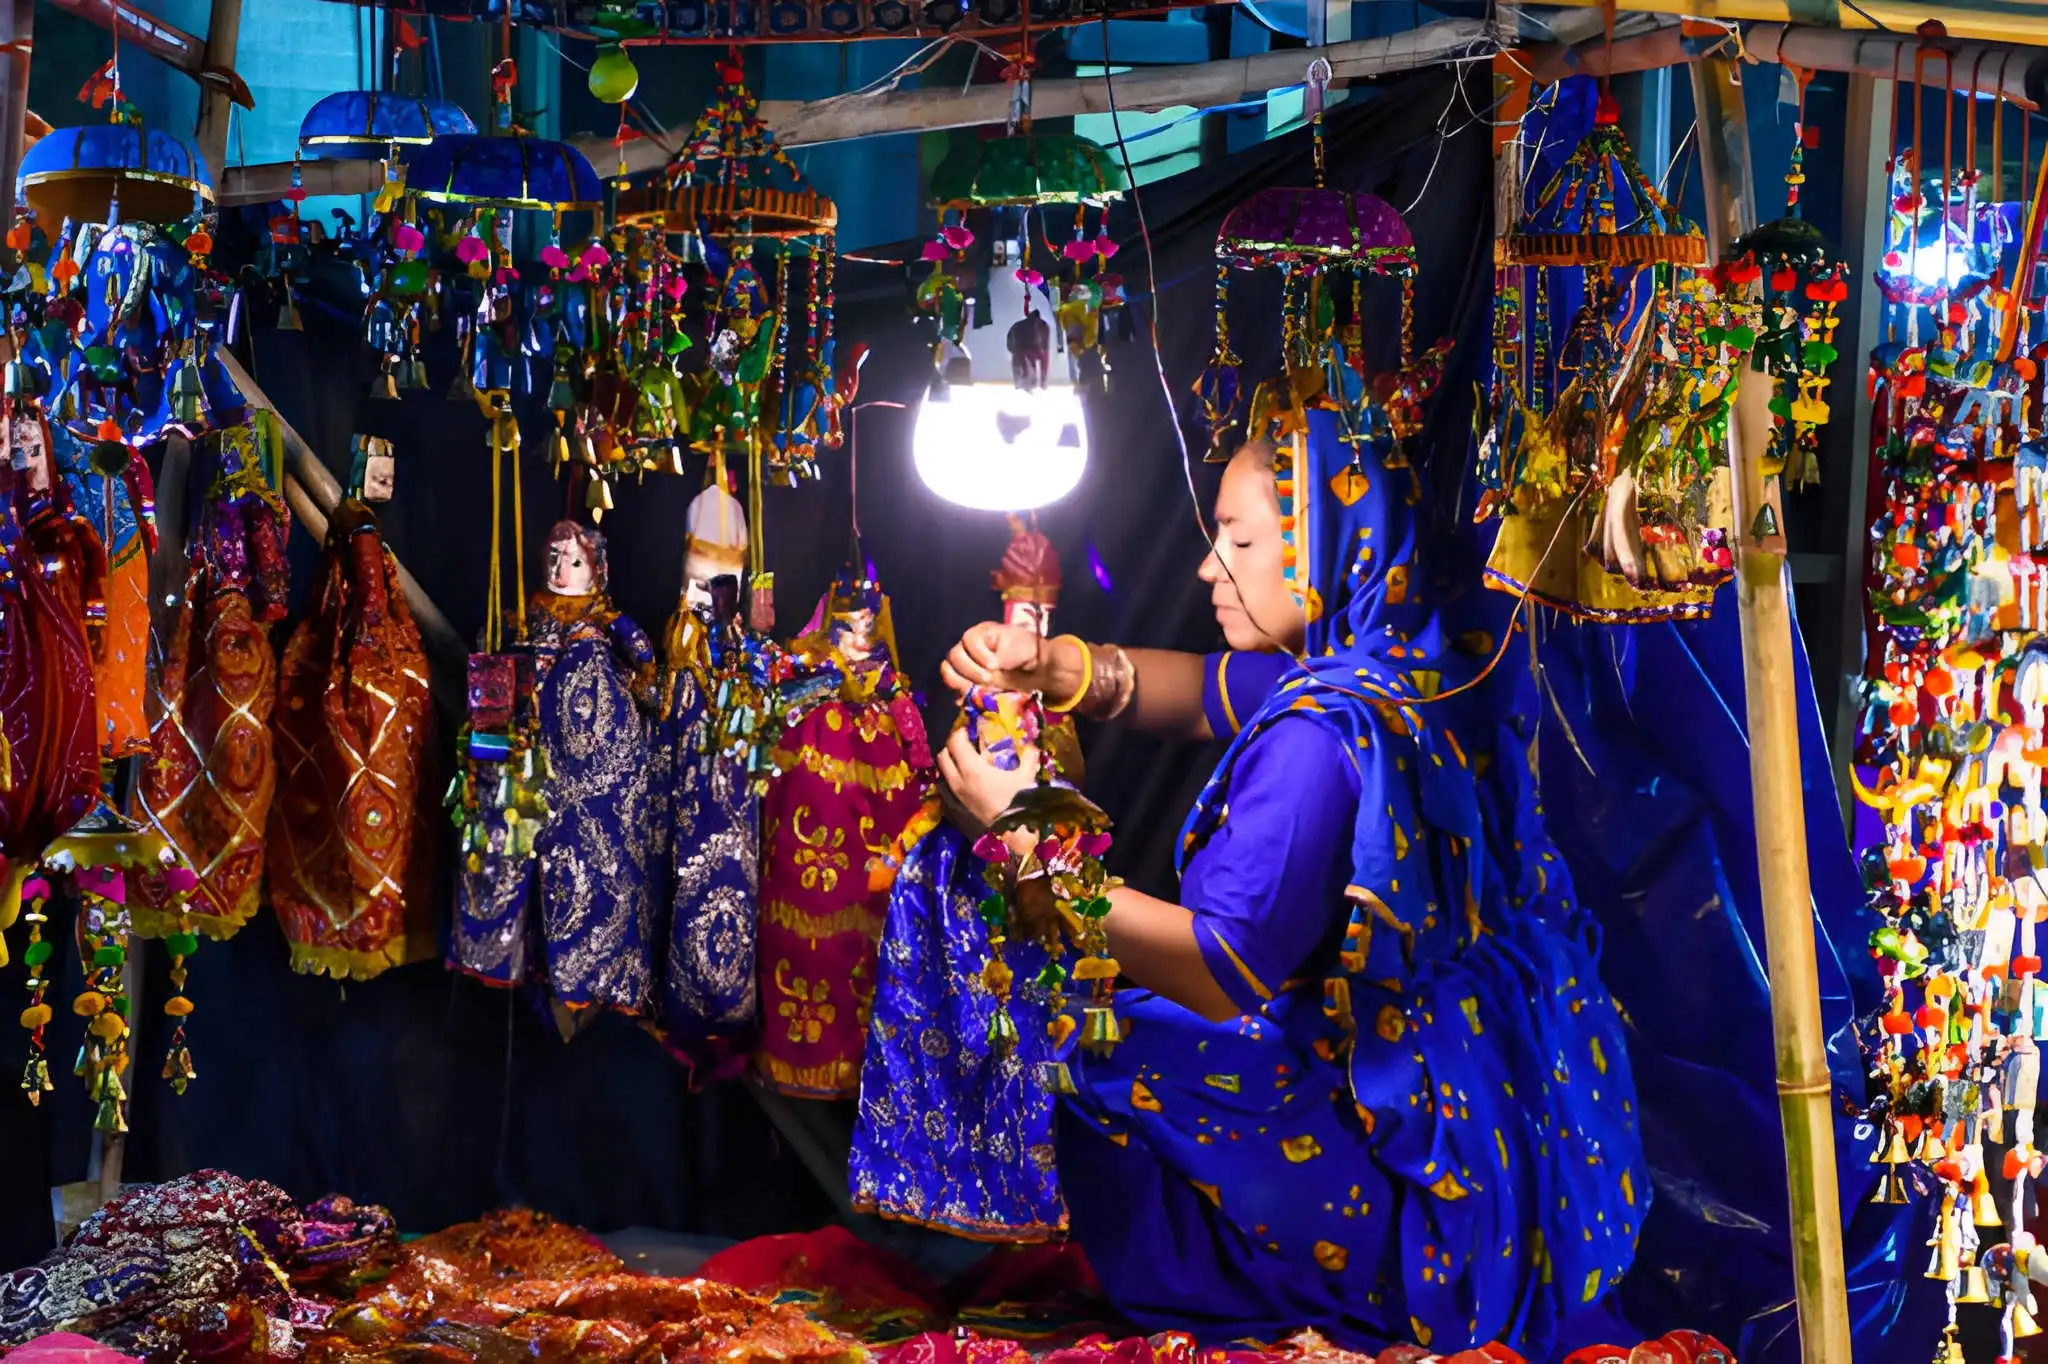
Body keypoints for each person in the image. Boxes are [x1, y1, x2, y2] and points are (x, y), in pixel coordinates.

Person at [927, 400, 1647, 1357]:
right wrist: (1057, 664)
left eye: (1239, 538)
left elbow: (1217, 969)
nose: (1205, 567)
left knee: (1068, 1034)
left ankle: (1266, 1285)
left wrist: (1027, 837)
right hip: (1481, 1129)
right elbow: (1191, 696)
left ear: (1325, 540)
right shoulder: (1401, 665)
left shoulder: (1314, 745)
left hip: (1391, 1162)